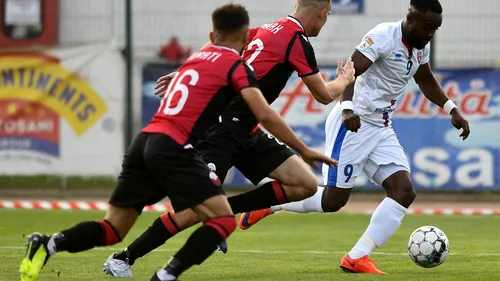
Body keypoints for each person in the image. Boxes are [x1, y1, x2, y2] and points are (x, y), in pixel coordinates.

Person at [19, 4, 338, 281]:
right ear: (243, 38)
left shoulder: (212, 54)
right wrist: (307, 145)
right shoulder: (240, 64)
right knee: (206, 216)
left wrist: (184, 71)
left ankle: (50, 243)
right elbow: (270, 112)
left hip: (153, 139)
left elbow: (210, 74)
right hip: (203, 137)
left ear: (214, 36)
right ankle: (146, 266)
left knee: (302, 183)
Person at [102, 0, 355, 278]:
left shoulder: (269, 29)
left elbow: (217, 48)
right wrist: (344, 80)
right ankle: (123, 258)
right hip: (220, 130)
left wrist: (187, 70)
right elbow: (324, 95)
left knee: (304, 184)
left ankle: (225, 210)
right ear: (322, 12)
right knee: (190, 213)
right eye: (328, 16)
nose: (325, 21)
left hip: (247, 131)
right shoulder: (296, 41)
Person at [240, 0, 470, 275]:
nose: (431, 33)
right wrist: (347, 108)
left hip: (381, 127)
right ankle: (271, 202)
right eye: (427, 26)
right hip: (353, 123)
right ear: (410, 19)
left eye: (436, 28)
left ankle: (357, 256)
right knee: (333, 201)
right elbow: (351, 70)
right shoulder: (383, 36)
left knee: (403, 191)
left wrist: (451, 108)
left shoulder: (421, 45)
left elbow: (425, 78)